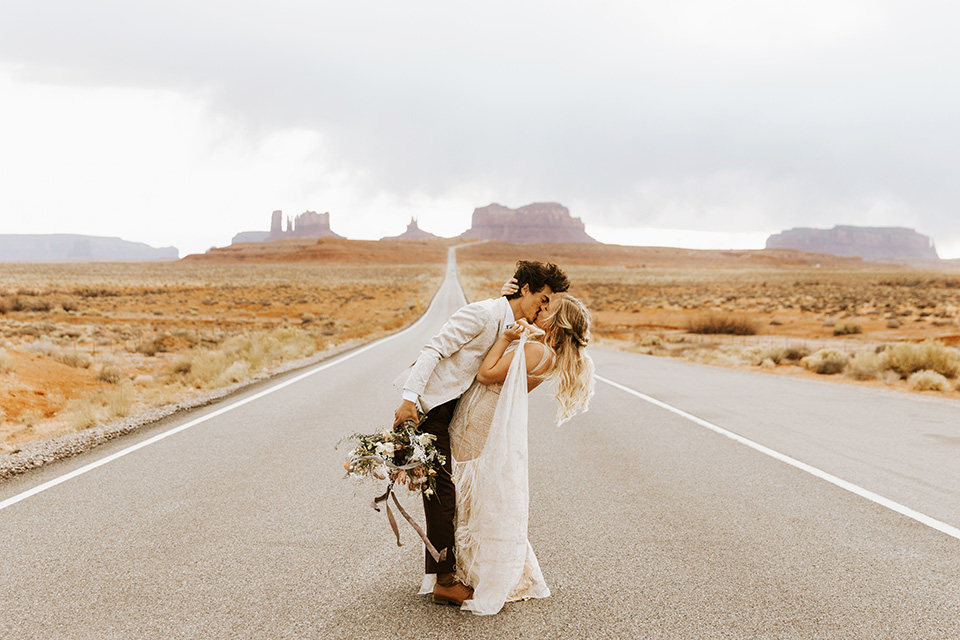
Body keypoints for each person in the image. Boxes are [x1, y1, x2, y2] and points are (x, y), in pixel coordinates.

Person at [394, 261, 570, 606]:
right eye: (544, 298)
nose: (545, 307)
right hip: (431, 407)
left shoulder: (508, 319)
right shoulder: (483, 313)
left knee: (444, 494)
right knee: (442, 495)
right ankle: (444, 581)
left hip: (450, 409)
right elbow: (432, 350)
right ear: (526, 290)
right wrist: (408, 401)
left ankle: (443, 574)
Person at [443, 293, 595, 615]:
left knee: (467, 497)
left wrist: (506, 337)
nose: (539, 311)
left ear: (555, 321)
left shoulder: (536, 350)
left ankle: (478, 574)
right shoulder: (548, 354)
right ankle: (474, 569)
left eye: (546, 310)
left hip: (480, 418)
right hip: (487, 416)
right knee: (476, 497)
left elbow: (486, 374)